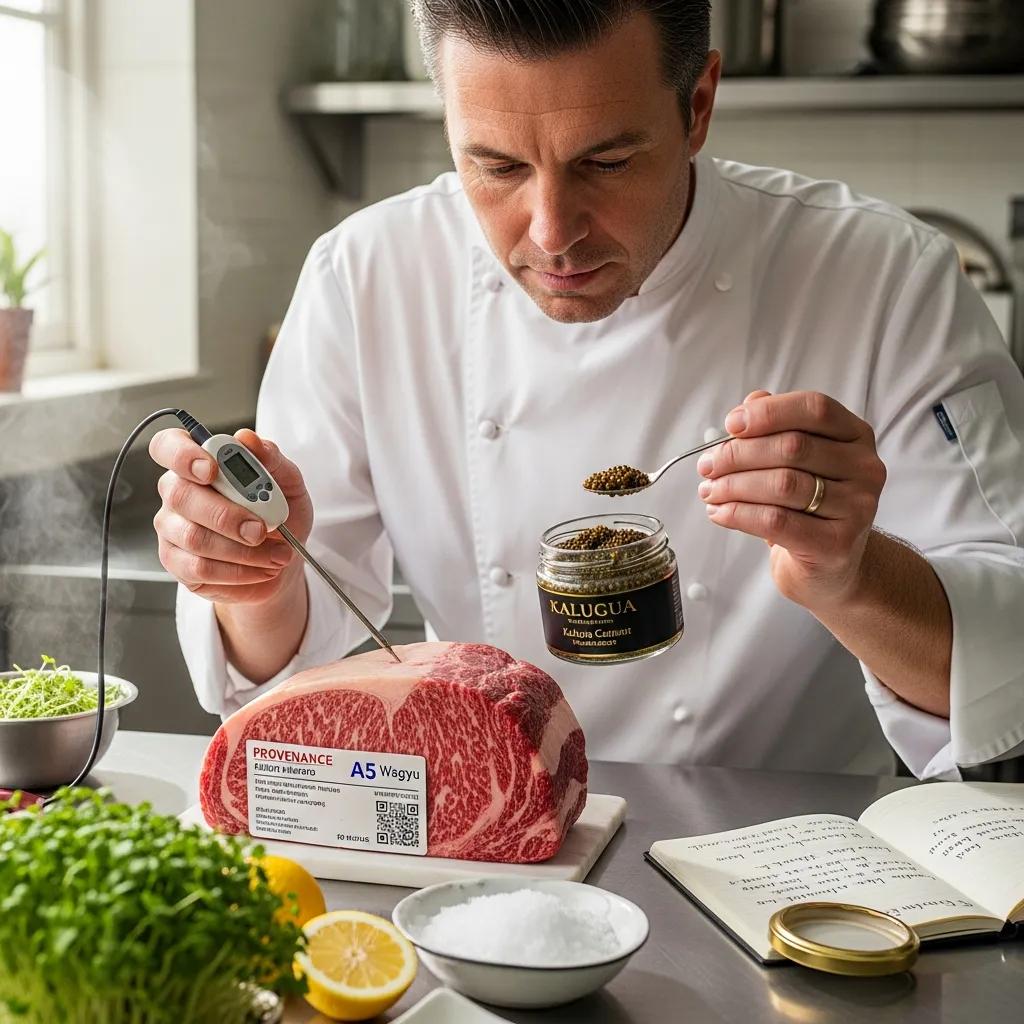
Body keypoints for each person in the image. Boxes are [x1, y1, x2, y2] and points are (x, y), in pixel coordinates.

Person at [151, 1, 1024, 780]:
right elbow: (312, 691)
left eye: (605, 161)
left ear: (699, 107)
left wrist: (850, 573)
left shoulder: (881, 277)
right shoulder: (363, 278)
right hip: (497, 841)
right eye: (493, 167)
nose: (553, 233)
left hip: (801, 871)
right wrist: (252, 581)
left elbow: (1007, 661)